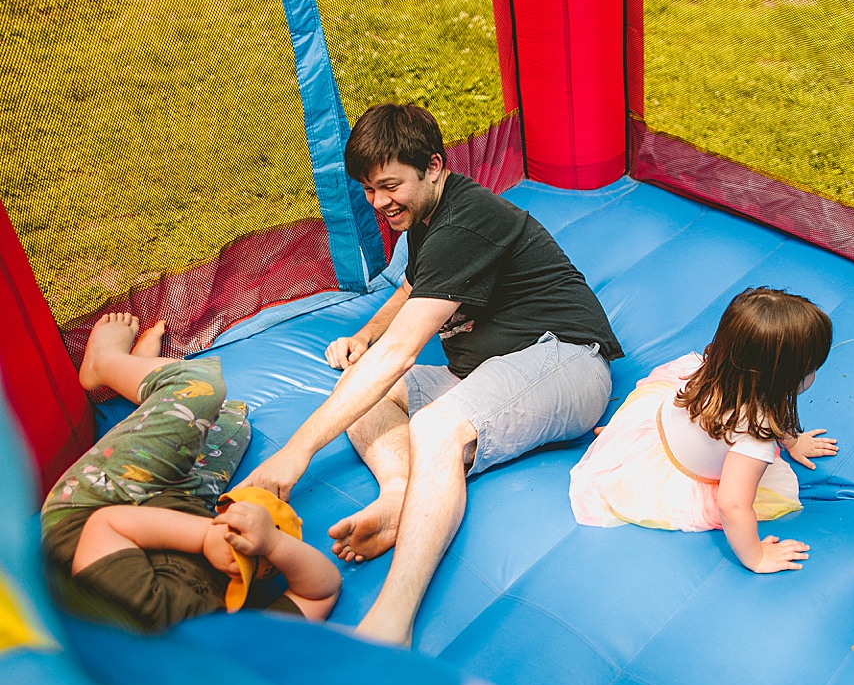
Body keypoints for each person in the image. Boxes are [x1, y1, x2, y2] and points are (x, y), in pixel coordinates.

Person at [238, 103, 622, 646]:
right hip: (491, 371)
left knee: (434, 427)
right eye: (369, 190)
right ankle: (399, 495)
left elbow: (402, 350)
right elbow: (410, 290)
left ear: (435, 167)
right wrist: (365, 336)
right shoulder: (424, 219)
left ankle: (393, 619)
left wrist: (296, 451)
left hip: (564, 360)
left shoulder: (469, 219)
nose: (379, 202)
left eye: (390, 185)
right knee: (367, 393)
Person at [42, 313, 341, 632]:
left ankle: (105, 362)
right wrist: (272, 546)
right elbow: (322, 591)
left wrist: (206, 538)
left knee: (199, 388)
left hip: (91, 508)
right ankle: (139, 381)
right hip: (183, 508)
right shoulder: (241, 645)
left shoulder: (141, 618)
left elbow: (106, 525)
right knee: (232, 422)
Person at [569, 287, 836, 573]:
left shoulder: (719, 367)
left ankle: (622, 441)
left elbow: (774, 411)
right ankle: (626, 453)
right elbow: (733, 505)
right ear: (781, 378)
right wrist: (756, 556)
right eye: (809, 369)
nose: (814, 375)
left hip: (655, 425)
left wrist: (792, 443)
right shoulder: (753, 439)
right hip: (676, 473)